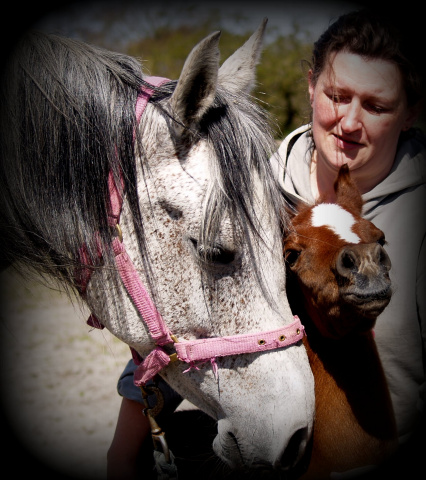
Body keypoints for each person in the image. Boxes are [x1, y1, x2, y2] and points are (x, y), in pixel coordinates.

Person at [107, 9, 426, 478]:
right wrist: (128, 440)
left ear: (410, 112)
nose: (350, 123)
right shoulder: (249, 187)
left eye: (376, 106)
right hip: (249, 448)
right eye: (337, 96)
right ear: (311, 86)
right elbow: (183, 308)